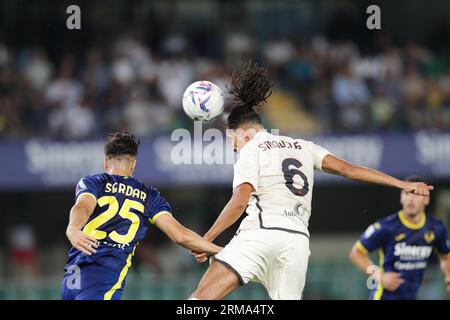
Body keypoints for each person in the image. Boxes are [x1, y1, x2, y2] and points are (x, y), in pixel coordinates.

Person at [189, 61, 433, 300]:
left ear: (241, 133)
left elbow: (240, 201)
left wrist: (206, 239)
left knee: (200, 300)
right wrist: (402, 184)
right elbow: (349, 169)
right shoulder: (304, 147)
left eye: (232, 142)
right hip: (296, 244)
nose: (234, 148)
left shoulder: (251, 148)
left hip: (260, 234)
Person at [61, 131, 221, 300]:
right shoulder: (149, 196)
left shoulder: (92, 182)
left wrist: (73, 229)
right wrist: (218, 250)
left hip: (73, 275)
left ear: (106, 162)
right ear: (134, 164)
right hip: (104, 277)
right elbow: (180, 235)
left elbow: (83, 207)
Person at [349, 176, 450, 300]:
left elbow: (445, 257)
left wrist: (448, 275)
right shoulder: (386, 226)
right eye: (406, 194)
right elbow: (356, 253)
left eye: (415, 194)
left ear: (426, 199)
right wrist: (379, 276)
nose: (410, 199)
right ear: (401, 198)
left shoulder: (436, 228)